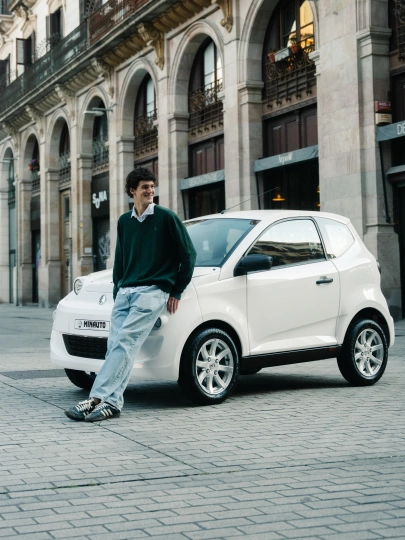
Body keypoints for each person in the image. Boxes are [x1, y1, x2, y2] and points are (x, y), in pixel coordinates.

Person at [65, 167, 196, 422]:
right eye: (145, 187)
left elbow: (188, 255)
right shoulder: (124, 221)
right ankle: (113, 403)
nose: (150, 191)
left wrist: (176, 290)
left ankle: (94, 399)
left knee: (125, 343)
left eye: (152, 186)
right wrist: (118, 288)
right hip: (125, 293)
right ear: (132, 191)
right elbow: (121, 259)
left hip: (152, 292)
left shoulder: (167, 218)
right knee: (115, 346)